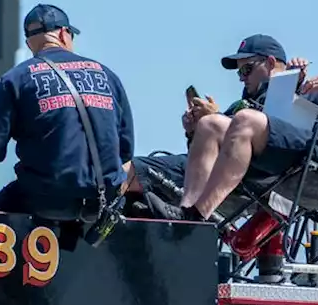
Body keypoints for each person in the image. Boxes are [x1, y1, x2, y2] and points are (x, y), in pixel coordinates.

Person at [151, 14, 318, 223]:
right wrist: (294, 83)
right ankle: (187, 214)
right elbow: (291, 113)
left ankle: (199, 216)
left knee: (246, 119)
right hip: (310, 149)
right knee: (211, 124)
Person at [0, 4, 134, 223]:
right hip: (104, 202)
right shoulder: (107, 76)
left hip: (48, 200)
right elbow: (125, 148)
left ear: (29, 43)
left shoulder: (16, 79)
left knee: (2, 206)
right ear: (65, 34)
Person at [123, 34, 288, 214]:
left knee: (129, 172)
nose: (242, 78)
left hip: (235, 178)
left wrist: (215, 118)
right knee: (135, 201)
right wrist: (194, 132)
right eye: (240, 72)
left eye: (246, 69)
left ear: (271, 63)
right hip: (205, 173)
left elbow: (259, 149)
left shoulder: (285, 100)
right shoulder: (243, 105)